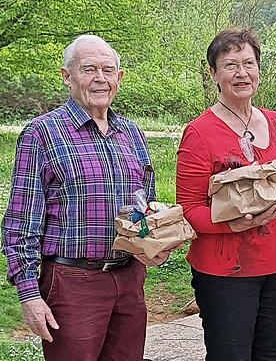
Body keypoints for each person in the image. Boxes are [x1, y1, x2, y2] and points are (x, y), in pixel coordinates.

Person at [1, 35, 163, 361]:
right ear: (67, 76)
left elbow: (146, 208)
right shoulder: (42, 133)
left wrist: (153, 244)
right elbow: (21, 223)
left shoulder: (132, 134)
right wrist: (30, 295)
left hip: (129, 280)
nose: (100, 78)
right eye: (88, 69)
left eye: (108, 69)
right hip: (73, 283)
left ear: (120, 78)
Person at [176, 27, 276, 361]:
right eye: (231, 64)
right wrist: (230, 225)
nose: (241, 72)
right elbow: (188, 208)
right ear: (214, 73)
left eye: (249, 63)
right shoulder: (200, 133)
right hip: (225, 273)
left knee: (270, 356)